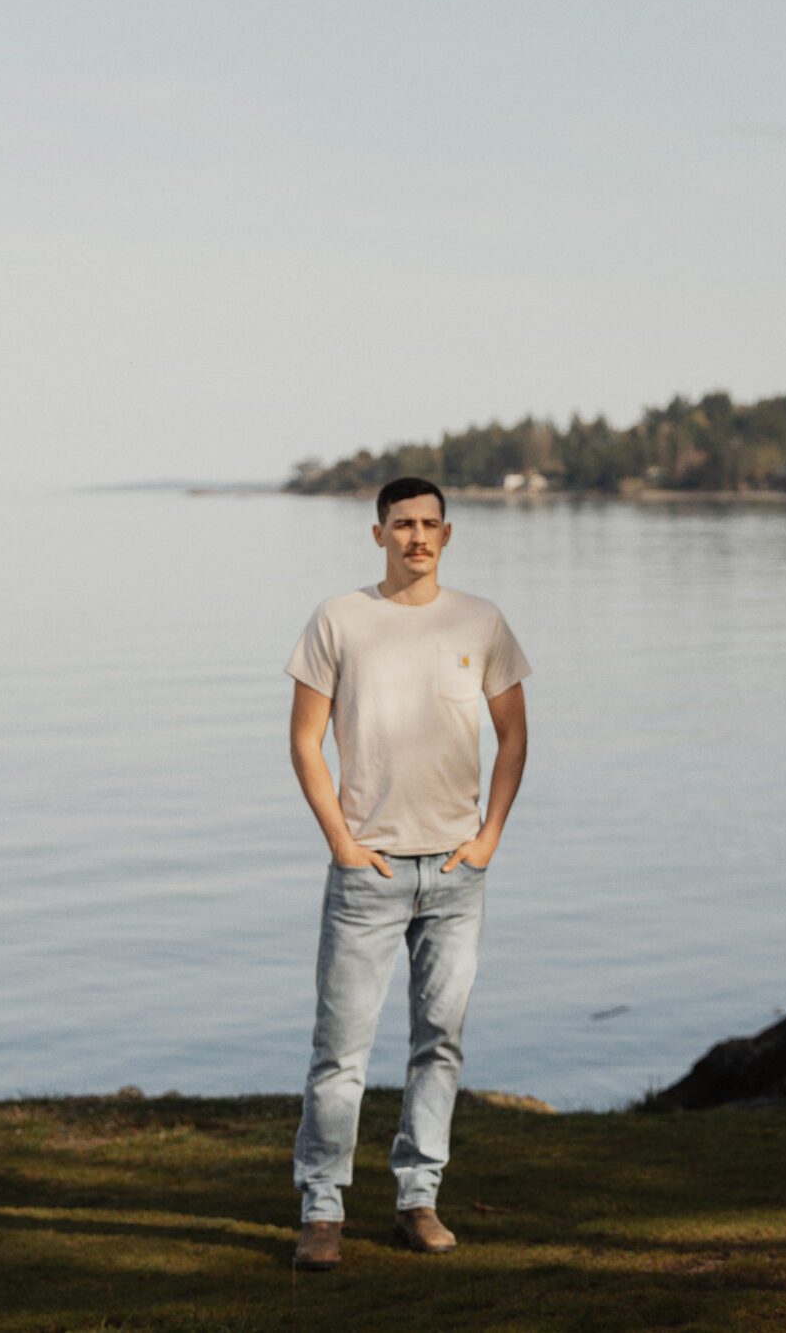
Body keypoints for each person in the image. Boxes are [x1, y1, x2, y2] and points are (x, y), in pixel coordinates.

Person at [285, 476, 531, 1272]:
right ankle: (322, 1210)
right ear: (378, 533)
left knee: (440, 1044)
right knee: (340, 1051)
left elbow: (514, 735)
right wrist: (342, 841)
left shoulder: (481, 620)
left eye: (429, 524)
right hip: (370, 872)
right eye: (402, 524)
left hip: (457, 872)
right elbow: (305, 740)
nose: (416, 536)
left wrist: (489, 835)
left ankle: (417, 1200)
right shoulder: (340, 618)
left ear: (447, 533)